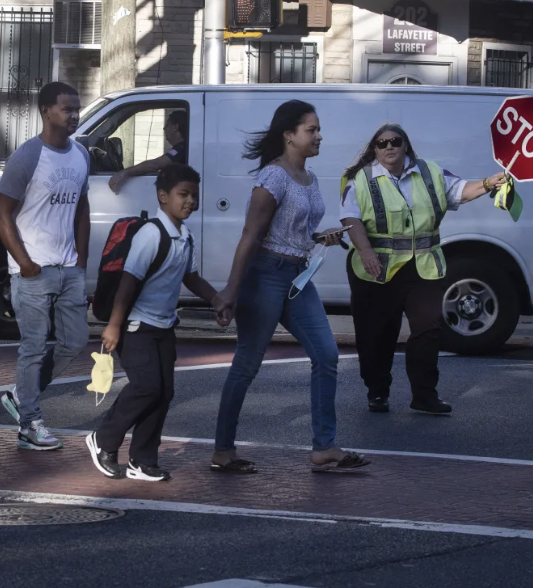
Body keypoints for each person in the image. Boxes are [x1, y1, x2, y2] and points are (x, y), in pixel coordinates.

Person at [210, 100, 369, 475]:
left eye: (318, 129)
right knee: (247, 365)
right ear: (289, 135)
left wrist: (319, 236)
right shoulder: (273, 178)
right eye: (311, 130)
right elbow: (251, 234)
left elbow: (292, 229)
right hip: (264, 275)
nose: (319, 136)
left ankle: (324, 448)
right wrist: (231, 291)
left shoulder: (310, 179)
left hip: (298, 276)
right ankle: (222, 450)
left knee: (327, 354)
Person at [341, 124, 508, 416]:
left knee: (429, 328)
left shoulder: (429, 172)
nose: (389, 147)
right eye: (382, 143)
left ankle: (424, 395)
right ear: (374, 148)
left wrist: (488, 183)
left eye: (395, 141)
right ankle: (377, 392)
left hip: (423, 267)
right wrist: (366, 252)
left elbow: (460, 191)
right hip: (377, 270)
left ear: (406, 145)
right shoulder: (361, 179)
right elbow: (350, 220)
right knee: (377, 334)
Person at [87, 164, 225, 482]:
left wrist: (217, 300)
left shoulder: (184, 236)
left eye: (194, 195)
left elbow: (190, 276)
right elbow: (128, 282)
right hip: (136, 326)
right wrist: (114, 326)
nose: (190, 201)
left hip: (163, 327)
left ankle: (142, 460)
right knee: (146, 387)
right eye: (183, 194)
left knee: (163, 393)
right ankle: (103, 439)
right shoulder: (152, 234)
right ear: (163, 197)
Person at [0, 82, 91, 451]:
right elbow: (0, 213)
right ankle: (29, 424)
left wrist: (81, 261)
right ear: (46, 111)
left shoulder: (81, 154)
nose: (74, 116)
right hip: (33, 270)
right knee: (32, 349)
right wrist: (24, 262)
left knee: (75, 341)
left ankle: (21, 395)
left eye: (77, 109)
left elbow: (82, 210)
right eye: (67, 109)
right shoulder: (27, 156)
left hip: (68, 269)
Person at [108, 109, 189, 193]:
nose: (164, 128)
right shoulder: (182, 147)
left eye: (167, 125)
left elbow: (155, 164)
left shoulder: (181, 149)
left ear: (175, 127)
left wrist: (124, 172)